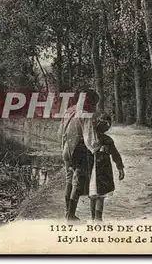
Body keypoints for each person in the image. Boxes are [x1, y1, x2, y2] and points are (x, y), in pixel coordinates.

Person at [57, 88, 102, 221]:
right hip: (78, 152)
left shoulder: (69, 111)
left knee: (69, 179)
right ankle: (70, 215)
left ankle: (67, 212)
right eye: (94, 103)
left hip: (66, 149)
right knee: (77, 182)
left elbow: (60, 132)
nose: (94, 106)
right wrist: (99, 147)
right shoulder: (85, 114)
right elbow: (91, 140)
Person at [88, 113, 125, 221]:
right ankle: (97, 219)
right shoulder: (105, 139)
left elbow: (115, 154)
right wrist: (120, 168)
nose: (107, 126)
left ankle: (95, 218)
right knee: (98, 195)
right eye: (106, 124)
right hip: (96, 170)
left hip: (96, 170)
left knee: (94, 194)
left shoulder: (89, 138)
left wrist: (120, 167)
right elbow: (115, 154)